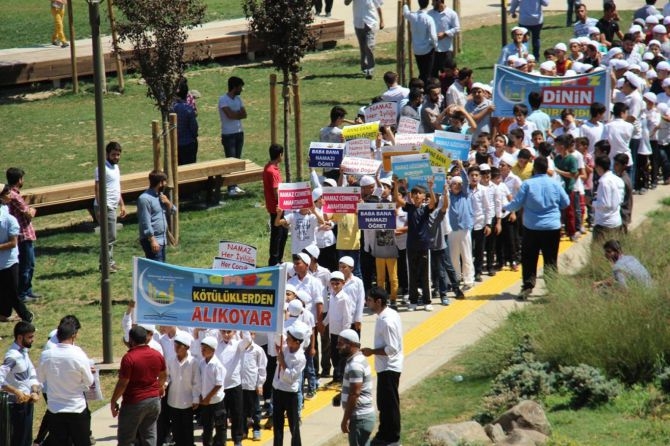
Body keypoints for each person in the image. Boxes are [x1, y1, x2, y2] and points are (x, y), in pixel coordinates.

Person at [504, 156, 570, 300]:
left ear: (534, 169)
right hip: (552, 228)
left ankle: (527, 286)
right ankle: (552, 288)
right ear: (547, 169)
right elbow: (566, 202)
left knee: (529, 258)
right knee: (550, 259)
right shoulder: (555, 184)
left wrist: (504, 207)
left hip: (532, 228)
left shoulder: (527, 184)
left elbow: (516, 204)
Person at [38, 321, 94, 446]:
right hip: (76, 408)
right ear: (74, 336)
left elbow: (40, 378)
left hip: (55, 409)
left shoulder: (46, 355)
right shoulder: (79, 354)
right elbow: (89, 381)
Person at [111, 325, 167, 446]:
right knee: (149, 436)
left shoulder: (129, 357)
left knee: (126, 439)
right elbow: (163, 375)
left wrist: (113, 400)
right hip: (154, 401)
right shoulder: (157, 354)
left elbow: (123, 383)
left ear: (131, 340)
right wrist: (159, 387)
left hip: (134, 402)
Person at [361, 287, 403, 446]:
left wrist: (372, 351)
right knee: (383, 403)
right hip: (384, 367)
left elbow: (392, 349)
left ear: (379, 302)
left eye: (370, 300)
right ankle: (384, 432)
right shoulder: (385, 315)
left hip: (389, 368)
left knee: (389, 404)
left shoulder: (387, 321)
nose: (367, 303)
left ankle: (392, 437)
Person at [0, 321, 40, 446]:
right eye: (30, 337)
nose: (33, 340)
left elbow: (31, 372)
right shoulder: (12, 356)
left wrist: (34, 390)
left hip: (27, 403)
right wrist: (16, 391)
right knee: (18, 441)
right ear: (19, 337)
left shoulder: (24, 352)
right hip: (16, 407)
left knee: (27, 440)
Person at [5, 168, 40, 303]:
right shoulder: (15, 196)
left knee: (28, 264)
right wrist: (33, 210)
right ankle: (22, 293)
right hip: (23, 235)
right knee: (26, 265)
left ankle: (27, 290)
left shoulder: (11, 194)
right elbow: (29, 213)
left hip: (22, 235)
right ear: (19, 180)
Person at [0, 184, 33, 323]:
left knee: (11, 291)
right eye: (6, 192)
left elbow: (13, 243)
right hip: (5, 261)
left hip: (9, 261)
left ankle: (21, 316)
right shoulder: (7, 217)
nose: (10, 194)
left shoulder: (8, 218)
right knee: (8, 291)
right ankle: (19, 315)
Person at [336, 328, 375, 446]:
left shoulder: (355, 365)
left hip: (359, 418)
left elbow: (354, 394)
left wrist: (345, 419)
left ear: (351, 344)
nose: (337, 346)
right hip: (361, 417)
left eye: (340, 343)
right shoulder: (356, 360)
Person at [272, 321, 308, 446]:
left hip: (290, 394)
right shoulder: (286, 348)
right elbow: (277, 339)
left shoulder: (300, 358)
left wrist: (282, 362)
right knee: (277, 425)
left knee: (293, 425)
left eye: (289, 339)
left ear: (297, 342)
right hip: (277, 390)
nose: (286, 340)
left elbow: (291, 377)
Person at [93, 142, 126, 273]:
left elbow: (116, 189)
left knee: (109, 236)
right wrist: (101, 208)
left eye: (118, 154)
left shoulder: (116, 168)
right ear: (107, 154)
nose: (116, 157)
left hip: (113, 205)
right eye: (113, 155)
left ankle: (108, 263)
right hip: (105, 206)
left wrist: (122, 204)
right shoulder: (101, 168)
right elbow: (97, 189)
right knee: (110, 236)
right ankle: (106, 264)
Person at [166, 331, 201, 446]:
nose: (176, 348)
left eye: (179, 346)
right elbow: (168, 377)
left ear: (186, 347)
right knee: (176, 428)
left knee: (187, 428)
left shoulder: (193, 362)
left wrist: (196, 398)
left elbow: (197, 382)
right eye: (175, 345)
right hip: (173, 400)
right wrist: (164, 384)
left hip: (187, 400)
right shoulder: (171, 360)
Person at [137, 170, 177, 263]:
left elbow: (173, 211)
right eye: (165, 181)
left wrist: (168, 203)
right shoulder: (144, 199)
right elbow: (145, 222)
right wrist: (152, 240)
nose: (166, 184)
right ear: (160, 183)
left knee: (160, 269)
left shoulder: (161, 196)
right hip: (152, 241)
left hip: (162, 239)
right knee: (157, 272)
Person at [219, 76, 247, 196]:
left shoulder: (238, 99)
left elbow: (244, 114)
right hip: (228, 134)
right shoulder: (223, 100)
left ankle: (235, 185)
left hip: (239, 132)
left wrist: (236, 114)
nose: (242, 89)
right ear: (234, 87)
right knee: (231, 160)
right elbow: (229, 115)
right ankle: (230, 187)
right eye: (240, 86)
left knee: (237, 160)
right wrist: (237, 114)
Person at [345, 0, 384, 79]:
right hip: (358, 23)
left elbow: (378, 7)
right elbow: (346, 3)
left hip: (370, 23)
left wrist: (382, 21)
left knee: (369, 46)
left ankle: (370, 69)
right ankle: (364, 67)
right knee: (363, 47)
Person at [263, 144, 289, 266]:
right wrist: (281, 204)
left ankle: (278, 258)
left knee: (282, 233)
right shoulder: (272, 171)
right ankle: (274, 261)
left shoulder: (269, 167)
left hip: (276, 206)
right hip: (277, 208)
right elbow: (276, 190)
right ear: (280, 155)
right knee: (277, 235)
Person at [403, 0, 438, 85]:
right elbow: (433, 36)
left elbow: (405, 12)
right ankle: (423, 88)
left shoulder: (413, 16)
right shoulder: (428, 18)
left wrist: (405, 4)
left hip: (417, 49)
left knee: (422, 71)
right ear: (428, 3)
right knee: (428, 73)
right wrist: (435, 46)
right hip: (427, 49)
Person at [592, 155, 624, 242]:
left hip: (604, 224)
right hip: (616, 221)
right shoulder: (618, 179)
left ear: (598, 167)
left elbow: (605, 204)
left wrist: (592, 202)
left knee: (599, 252)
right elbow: (620, 199)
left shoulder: (604, 182)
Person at [241, 332, 267, 442]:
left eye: (251, 334)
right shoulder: (239, 349)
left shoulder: (258, 350)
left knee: (255, 409)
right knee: (242, 409)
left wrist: (260, 384)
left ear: (254, 335)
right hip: (241, 385)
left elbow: (262, 368)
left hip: (253, 385)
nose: (248, 336)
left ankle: (256, 428)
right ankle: (244, 429)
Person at [428, 0, 460, 78]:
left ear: (439, 1)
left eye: (433, 2)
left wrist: (445, 34)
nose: (432, 4)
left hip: (446, 49)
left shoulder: (451, 14)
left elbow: (457, 28)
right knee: (432, 73)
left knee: (448, 74)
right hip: (433, 49)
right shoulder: (429, 14)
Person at [172, 78, 199, 165]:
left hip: (175, 143)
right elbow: (194, 127)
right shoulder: (188, 109)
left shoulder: (171, 108)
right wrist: (194, 137)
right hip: (188, 143)